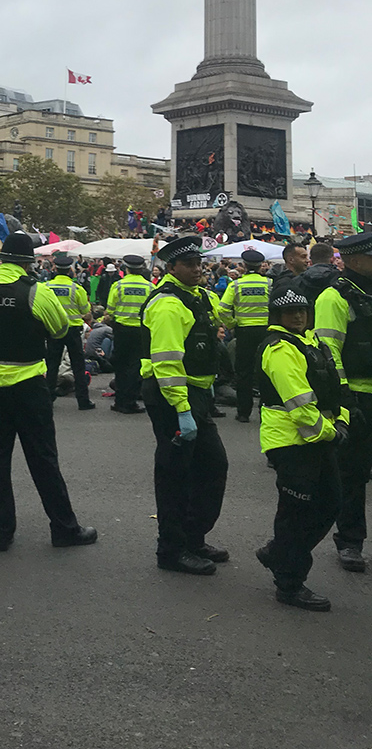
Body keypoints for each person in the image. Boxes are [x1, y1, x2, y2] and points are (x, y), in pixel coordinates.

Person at [0, 232, 98, 553]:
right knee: (43, 460)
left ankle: (1, 533)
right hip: (29, 388)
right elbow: (61, 330)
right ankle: (64, 528)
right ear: (27, 263)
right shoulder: (37, 292)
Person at [141, 236, 228, 576]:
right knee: (175, 474)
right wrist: (182, 409)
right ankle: (172, 550)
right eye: (189, 264)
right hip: (173, 396)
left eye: (199, 263)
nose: (197, 269)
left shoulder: (199, 297)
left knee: (209, 468)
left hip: (198, 394)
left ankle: (193, 538)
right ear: (171, 268)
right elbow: (166, 363)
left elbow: (225, 318)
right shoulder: (167, 304)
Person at [255, 288, 345, 611]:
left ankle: (279, 553)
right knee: (295, 514)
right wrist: (332, 433)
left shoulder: (313, 344)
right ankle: (289, 583)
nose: (297, 316)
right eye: (289, 312)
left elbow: (335, 390)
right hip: (291, 442)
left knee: (331, 502)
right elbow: (300, 405)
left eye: (302, 311)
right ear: (277, 316)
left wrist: (342, 421)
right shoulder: (279, 350)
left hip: (319, 438)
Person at [314, 229, 372, 573]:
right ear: (354, 260)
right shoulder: (335, 298)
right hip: (359, 398)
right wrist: (346, 400)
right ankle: (350, 541)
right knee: (352, 475)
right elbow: (329, 351)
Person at [219, 248, 270, 422]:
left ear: (244, 266)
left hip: (244, 331)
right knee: (267, 371)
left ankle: (243, 412)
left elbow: (222, 309)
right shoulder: (268, 284)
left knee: (243, 372)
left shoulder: (236, 285)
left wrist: (233, 324)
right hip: (266, 331)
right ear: (261, 265)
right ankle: (267, 411)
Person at [44, 253, 94, 410]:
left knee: (52, 365)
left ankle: (48, 399)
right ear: (70, 270)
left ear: (55, 268)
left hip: (54, 329)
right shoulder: (76, 289)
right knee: (78, 366)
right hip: (72, 330)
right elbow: (85, 310)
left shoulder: (47, 287)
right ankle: (83, 401)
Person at [105, 255, 151, 414]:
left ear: (126, 268)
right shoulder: (149, 287)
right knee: (136, 366)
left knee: (121, 365)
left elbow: (110, 311)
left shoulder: (118, 286)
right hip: (140, 331)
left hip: (122, 330)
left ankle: (120, 401)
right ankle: (131, 401)